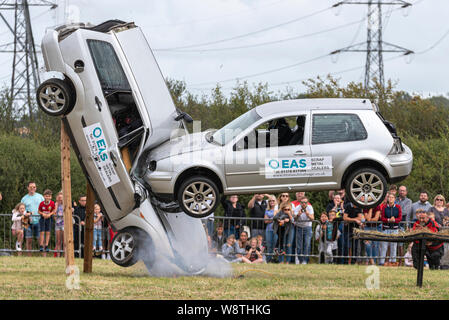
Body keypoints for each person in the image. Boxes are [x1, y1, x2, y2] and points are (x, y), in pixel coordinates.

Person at [21, 181, 44, 256]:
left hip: (39, 220)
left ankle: (44, 256)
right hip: (27, 221)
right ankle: (29, 256)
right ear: (28, 188)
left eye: (34, 187)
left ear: (36, 188)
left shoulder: (40, 197)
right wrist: (26, 214)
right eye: (31, 187)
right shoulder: (24, 198)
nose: (32, 188)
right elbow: (21, 210)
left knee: (40, 240)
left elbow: (44, 207)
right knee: (28, 239)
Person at [379, 192, 402, 266]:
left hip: (394, 229)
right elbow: (382, 218)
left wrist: (394, 220)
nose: (391, 199)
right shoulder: (384, 207)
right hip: (386, 229)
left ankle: (393, 261)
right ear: (388, 199)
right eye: (389, 197)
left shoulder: (398, 207)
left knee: (393, 246)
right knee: (384, 246)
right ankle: (382, 262)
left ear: (395, 199)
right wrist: (389, 220)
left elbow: (400, 218)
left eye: (392, 197)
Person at [293, 196, 314, 264]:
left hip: (307, 227)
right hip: (299, 227)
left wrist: (308, 214)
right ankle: (300, 260)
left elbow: (312, 218)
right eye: (302, 202)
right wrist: (298, 215)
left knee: (307, 244)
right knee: (299, 246)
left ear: (307, 203)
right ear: (300, 203)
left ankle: (305, 261)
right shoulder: (297, 208)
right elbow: (294, 219)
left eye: (305, 202)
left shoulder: (310, 207)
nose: (304, 204)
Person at [343, 200, 364, 264]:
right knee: (346, 245)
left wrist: (349, 219)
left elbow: (360, 218)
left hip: (356, 229)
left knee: (355, 246)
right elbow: (344, 218)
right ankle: (346, 261)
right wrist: (355, 219)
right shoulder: (348, 205)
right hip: (347, 229)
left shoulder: (359, 206)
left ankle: (353, 261)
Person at [396, 185, 412, 266]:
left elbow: (405, 212)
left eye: (403, 190)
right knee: (390, 243)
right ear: (398, 191)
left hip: (402, 224)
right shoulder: (394, 199)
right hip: (393, 224)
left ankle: (400, 262)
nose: (402, 192)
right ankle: (390, 261)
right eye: (400, 190)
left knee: (400, 244)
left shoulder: (408, 201)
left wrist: (395, 212)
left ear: (406, 192)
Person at [38, 189, 56, 255]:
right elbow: (39, 211)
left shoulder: (52, 203)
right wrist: (43, 214)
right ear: (44, 196)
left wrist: (49, 214)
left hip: (49, 218)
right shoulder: (41, 203)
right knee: (42, 232)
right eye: (46, 196)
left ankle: (46, 245)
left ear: (51, 197)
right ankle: (41, 245)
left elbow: (54, 210)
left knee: (48, 232)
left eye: (49, 196)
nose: (47, 197)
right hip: (42, 218)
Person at [264, 195, 278, 263]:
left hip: (276, 230)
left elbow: (277, 219)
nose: (271, 202)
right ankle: (268, 260)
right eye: (270, 201)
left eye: (273, 201)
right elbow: (265, 221)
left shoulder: (278, 209)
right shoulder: (267, 210)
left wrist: (271, 219)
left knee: (275, 245)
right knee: (269, 245)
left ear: (276, 201)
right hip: (269, 229)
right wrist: (273, 219)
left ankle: (275, 260)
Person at [54, 192, 64, 257]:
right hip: (58, 224)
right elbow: (54, 213)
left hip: (64, 224)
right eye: (59, 198)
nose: (60, 199)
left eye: (61, 198)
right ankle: (58, 255)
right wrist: (56, 206)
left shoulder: (65, 204)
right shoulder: (55, 204)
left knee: (65, 241)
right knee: (58, 241)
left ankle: (65, 255)